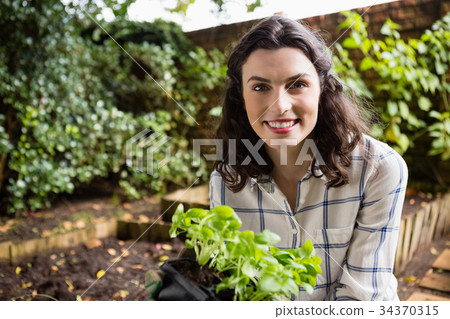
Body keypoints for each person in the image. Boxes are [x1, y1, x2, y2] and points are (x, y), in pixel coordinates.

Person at [209, 15, 408, 301]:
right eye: (260, 87)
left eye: (297, 84)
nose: (279, 106)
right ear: (241, 96)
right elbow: (235, 287)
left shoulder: (379, 169)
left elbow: (360, 300)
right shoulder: (227, 178)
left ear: (322, 89)